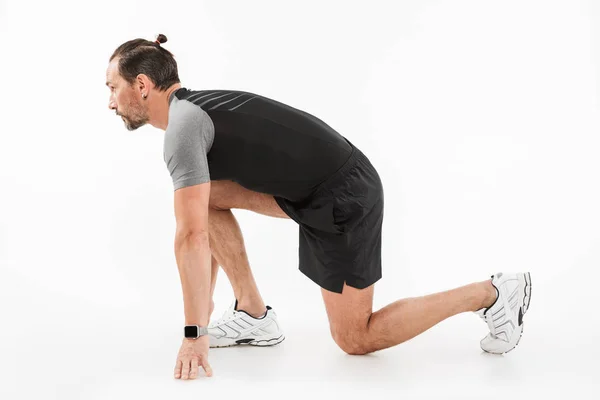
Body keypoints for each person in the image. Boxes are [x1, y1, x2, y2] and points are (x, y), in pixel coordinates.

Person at [105, 34, 533, 380]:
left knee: (355, 338)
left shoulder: (182, 129)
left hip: (344, 195)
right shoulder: (195, 108)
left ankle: (493, 294)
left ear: (142, 85)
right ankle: (254, 314)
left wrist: (194, 332)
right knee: (209, 195)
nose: (110, 101)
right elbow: (198, 222)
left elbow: (191, 237)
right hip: (317, 186)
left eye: (113, 88)